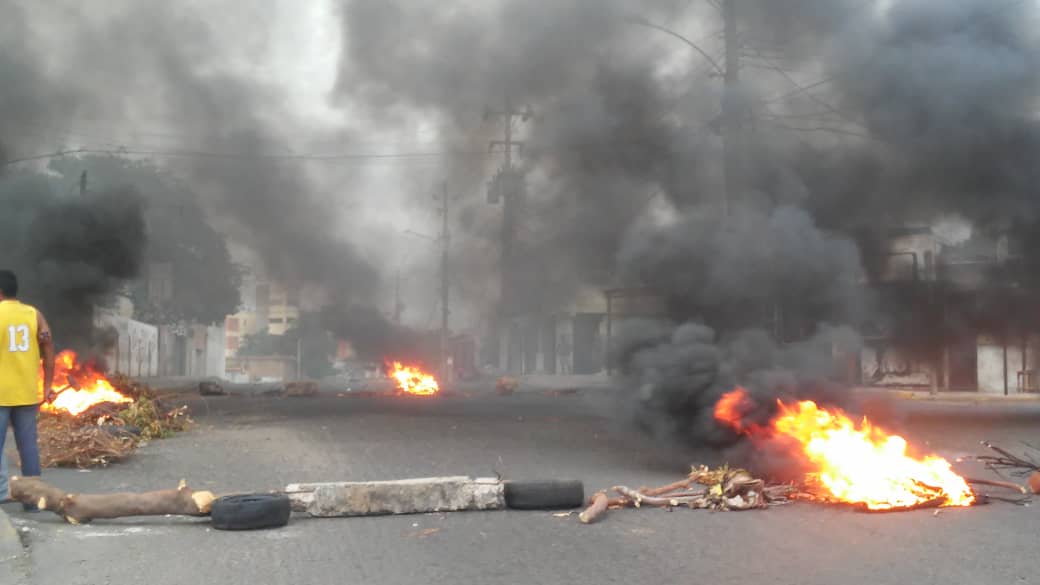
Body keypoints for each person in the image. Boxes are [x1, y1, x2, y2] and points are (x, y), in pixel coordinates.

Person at [0, 270, 55, 509]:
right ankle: (34, 499)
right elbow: (49, 354)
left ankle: (2, 493)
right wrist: (48, 386)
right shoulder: (35, 315)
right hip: (27, 393)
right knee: (28, 446)